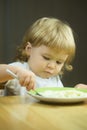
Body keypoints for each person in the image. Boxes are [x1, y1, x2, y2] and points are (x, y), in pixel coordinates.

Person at [4, 17, 87, 95]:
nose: (52, 66)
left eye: (59, 62)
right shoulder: (21, 69)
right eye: (46, 58)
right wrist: (16, 72)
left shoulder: (54, 80)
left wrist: (76, 92)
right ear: (29, 49)